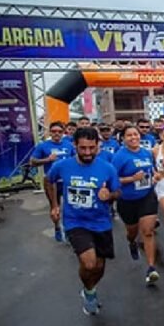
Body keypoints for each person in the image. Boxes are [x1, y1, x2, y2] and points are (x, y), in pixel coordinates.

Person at [44, 127, 121, 315]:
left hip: (101, 222)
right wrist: (54, 205)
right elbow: (48, 180)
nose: (87, 152)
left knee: (100, 267)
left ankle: (89, 287)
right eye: (83, 148)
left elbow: (117, 192)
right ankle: (89, 292)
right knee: (89, 263)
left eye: (92, 148)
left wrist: (108, 195)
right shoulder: (63, 166)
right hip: (75, 221)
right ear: (75, 146)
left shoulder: (107, 168)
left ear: (98, 147)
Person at [112, 126, 160, 284]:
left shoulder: (146, 153)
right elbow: (112, 180)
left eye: (136, 134)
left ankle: (151, 268)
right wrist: (131, 179)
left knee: (148, 231)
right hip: (127, 200)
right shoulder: (119, 156)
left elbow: (152, 170)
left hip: (146, 196)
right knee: (132, 231)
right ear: (123, 138)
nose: (133, 137)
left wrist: (155, 176)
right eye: (129, 135)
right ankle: (131, 242)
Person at [30, 122, 74, 242]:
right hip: (51, 182)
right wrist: (47, 159)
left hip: (67, 181)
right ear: (50, 132)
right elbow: (32, 162)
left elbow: (76, 159)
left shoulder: (69, 145)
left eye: (59, 132)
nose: (56, 134)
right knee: (55, 207)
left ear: (63, 133)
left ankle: (69, 230)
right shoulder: (43, 146)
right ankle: (57, 227)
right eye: (54, 131)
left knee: (70, 207)